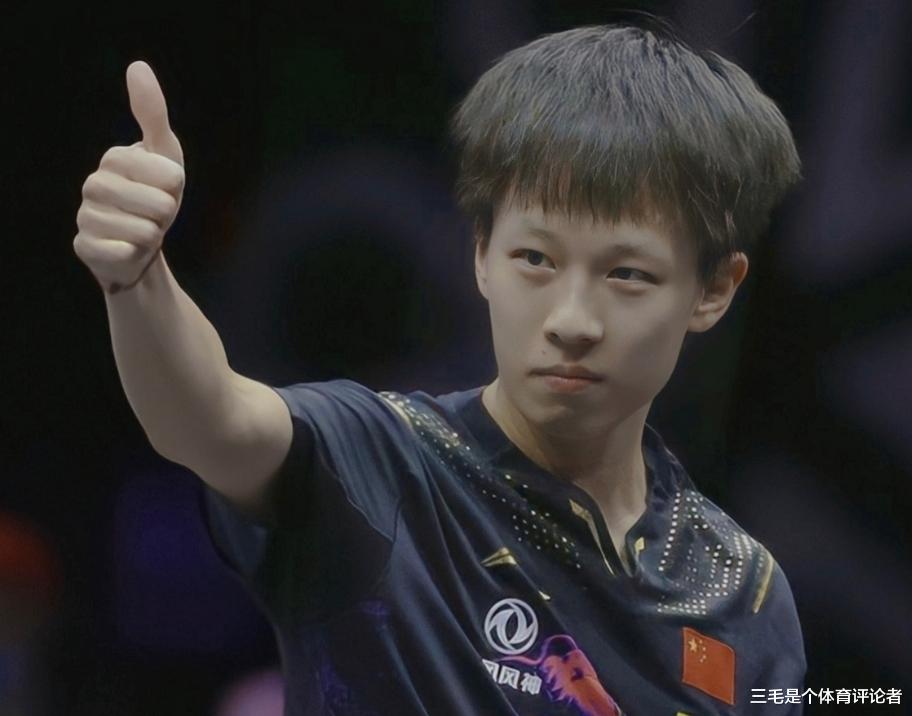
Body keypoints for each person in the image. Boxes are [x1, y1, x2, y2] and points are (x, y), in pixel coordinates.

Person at [73, 22, 805, 716]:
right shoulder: (379, 465)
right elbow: (213, 417)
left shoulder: (739, 588)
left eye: (627, 275)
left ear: (713, 289)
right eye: (535, 259)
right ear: (482, 254)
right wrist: (138, 278)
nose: (571, 320)